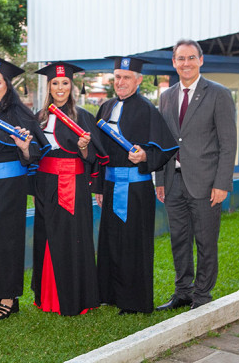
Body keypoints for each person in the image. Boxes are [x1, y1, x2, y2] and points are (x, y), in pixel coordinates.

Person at [92, 57, 178, 315]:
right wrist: (97, 186)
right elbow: (97, 151)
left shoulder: (147, 109)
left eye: (126, 77)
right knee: (109, 241)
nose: (120, 82)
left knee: (133, 244)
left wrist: (144, 157)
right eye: (117, 77)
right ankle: (109, 293)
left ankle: (134, 300)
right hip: (108, 185)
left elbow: (166, 148)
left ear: (138, 80)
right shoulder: (105, 107)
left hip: (136, 188)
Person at [155, 39, 237, 311]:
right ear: (174, 62)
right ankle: (183, 292)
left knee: (205, 242)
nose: (186, 63)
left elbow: (228, 144)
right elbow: (162, 142)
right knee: (179, 241)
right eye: (181, 58)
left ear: (201, 60)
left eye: (191, 58)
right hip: (173, 181)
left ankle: (202, 297)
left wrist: (222, 183)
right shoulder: (166, 96)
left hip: (206, 184)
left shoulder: (218, 93)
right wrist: (160, 180)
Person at [0, 56, 50, 319]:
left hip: (9, 188)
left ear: (7, 85)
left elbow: (38, 151)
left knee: (6, 241)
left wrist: (25, 147)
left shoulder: (19, 114)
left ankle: (8, 297)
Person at [32, 62, 108, 316]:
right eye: (55, 83)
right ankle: (48, 298)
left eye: (65, 83)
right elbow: (32, 155)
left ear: (72, 86)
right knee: (47, 238)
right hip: (45, 184)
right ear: (49, 86)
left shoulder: (83, 116)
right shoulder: (39, 117)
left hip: (71, 186)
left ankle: (73, 298)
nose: (60, 87)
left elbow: (93, 158)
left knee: (70, 240)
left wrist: (84, 146)